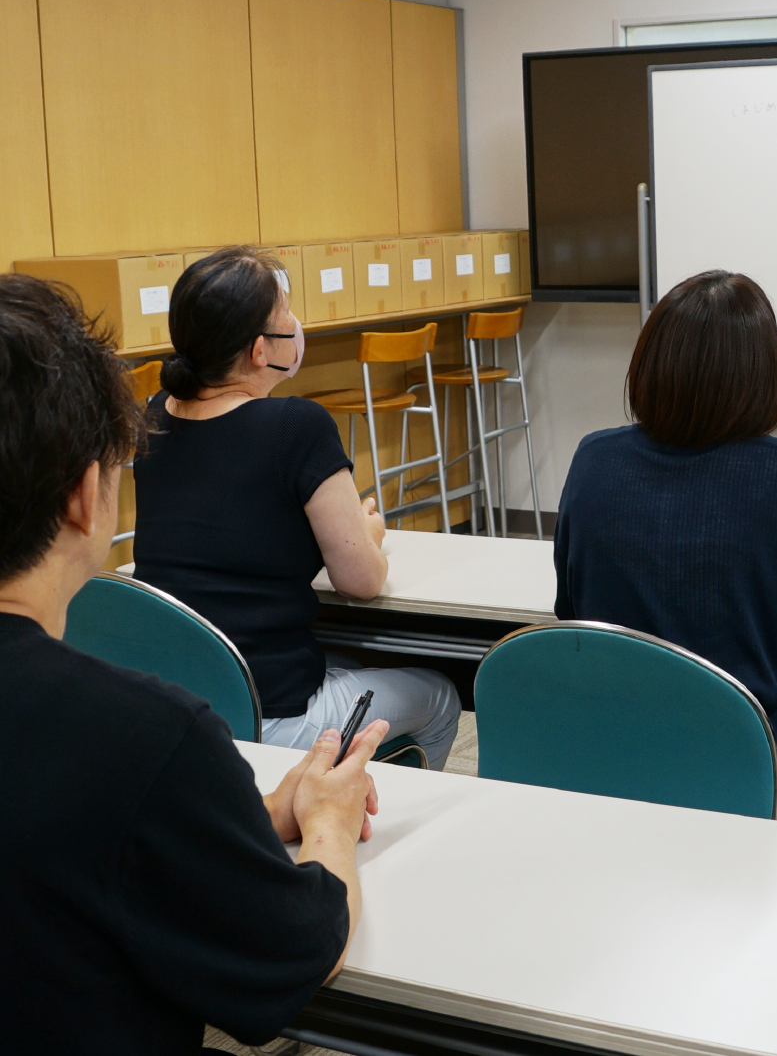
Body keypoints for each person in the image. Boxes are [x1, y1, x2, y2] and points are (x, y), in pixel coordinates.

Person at [0, 273, 389, 1054]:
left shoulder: (143, 754)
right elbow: (300, 952)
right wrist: (328, 824)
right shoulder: (142, 737)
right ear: (86, 497)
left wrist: (236, 813)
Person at [553, 270, 777, 821]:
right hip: (749, 773)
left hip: (609, 767)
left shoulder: (592, 458)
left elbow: (571, 611)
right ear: (762, 374)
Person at [131, 247, 460, 769]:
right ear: (260, 350)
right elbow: (360, 581)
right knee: (440, 693)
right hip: (269, 715)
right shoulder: (295, 426)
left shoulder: (155, 415)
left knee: (351, 662)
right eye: (286, 311)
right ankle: (345, 819)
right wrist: (368, 535)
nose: (295, 323)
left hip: (179, 701)